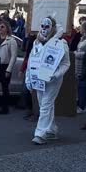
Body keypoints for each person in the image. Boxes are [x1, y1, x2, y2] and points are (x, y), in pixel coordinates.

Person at [25, 17, 70, 145]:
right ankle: (51, 129)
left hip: (53, 79)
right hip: (38, 77)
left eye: (47, 26)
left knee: (46, 104)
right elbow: (31, 60)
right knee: (44, 105)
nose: (44, 29)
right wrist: (28, 78)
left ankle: (40, 134)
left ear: (53, 28)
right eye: (42, 26)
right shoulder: (37, 42)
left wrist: (56, 74)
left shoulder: (61, 43)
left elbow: (66, 63)